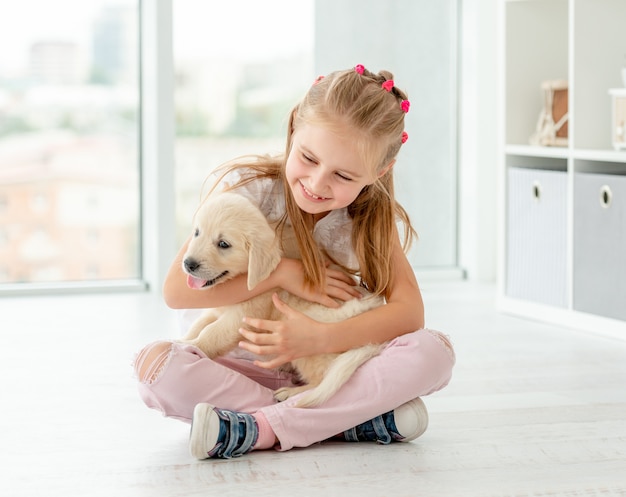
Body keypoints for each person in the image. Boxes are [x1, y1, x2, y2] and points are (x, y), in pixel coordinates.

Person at [134, 64, 455, 459]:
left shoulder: (370, 219)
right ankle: (345, 419)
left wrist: (318, 339)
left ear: (379, 171)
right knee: (155, 368)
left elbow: (410, 313)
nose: (318, 183)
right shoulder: (252, 191)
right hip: (239, 369)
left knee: (433, 351)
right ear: (292, 128)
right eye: (308, 157)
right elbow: (175, 292)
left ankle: (260, 428)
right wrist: (284, 274)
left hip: (327, 365)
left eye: (343, 175)